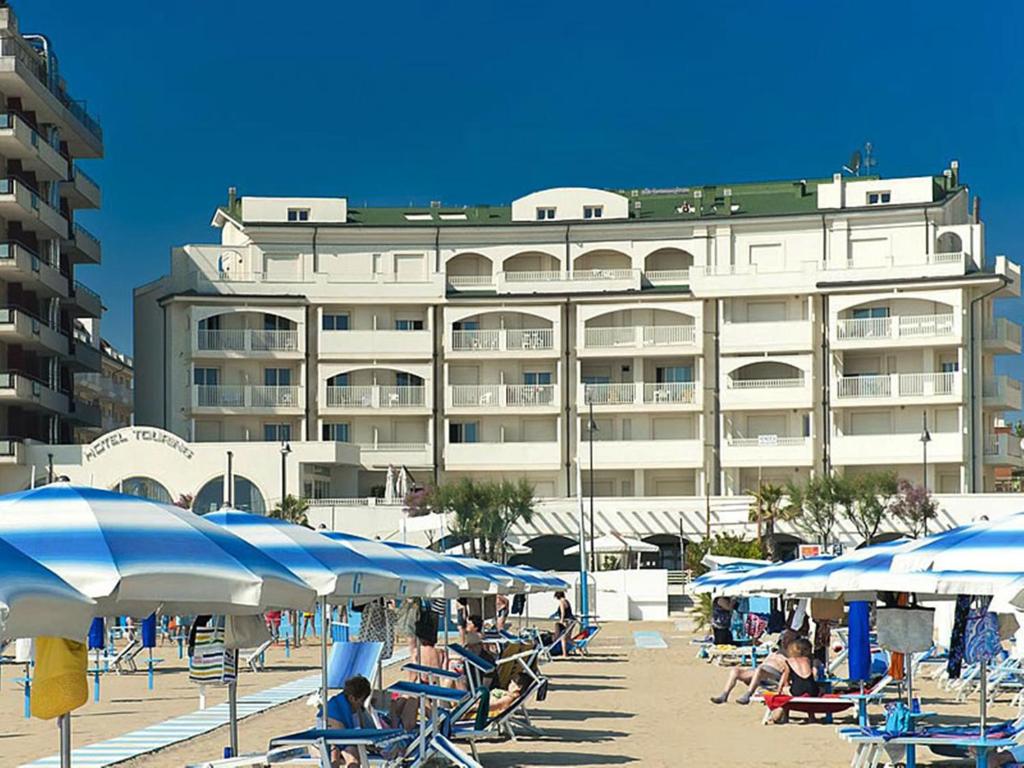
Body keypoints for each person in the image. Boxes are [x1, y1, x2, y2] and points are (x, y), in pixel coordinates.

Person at [325, 675, 373, 766]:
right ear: (352, 698)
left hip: (346, 741)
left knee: (353, 759)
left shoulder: (357, 711)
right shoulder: (333, 708)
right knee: (334, 755)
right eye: (361, 700)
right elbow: (339, 735)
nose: (362, 704)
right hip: (328, 741)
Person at [710, 650, 787, 705]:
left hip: (773, 675)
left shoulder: (790, 655)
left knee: (759, 670)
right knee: (735, 670)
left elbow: (787, 671)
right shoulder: (773, 653)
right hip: (759, 670)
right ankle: (724, 695)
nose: (784, 641)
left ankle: (748, 694)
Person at [773, 637, 820, 723]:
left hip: (797, 690)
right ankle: (811, 716)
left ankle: (786, 716)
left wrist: (779, 690)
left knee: (785, 691)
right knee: (815, 690)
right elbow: (815, 674)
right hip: (812, 690)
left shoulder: (788, 661)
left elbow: (784, 679)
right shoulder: (810, 660)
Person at [553, 590, 575, 657]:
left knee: (563, 637)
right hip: (572, 621)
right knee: (567, 638)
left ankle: (564, 653)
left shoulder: (561, 602)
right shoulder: (566, 601)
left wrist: (561, 621)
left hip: (568, 621)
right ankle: (579, 649)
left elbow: (563, 613)